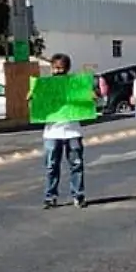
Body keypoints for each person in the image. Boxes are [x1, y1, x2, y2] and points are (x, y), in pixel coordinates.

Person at [40, 53, 87, 209]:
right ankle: (50, 196)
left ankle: (78, 196)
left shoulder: (76, 84)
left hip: (72, 131)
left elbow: (88, 100)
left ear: (67, 69)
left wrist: (91, 96)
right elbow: (37, 107)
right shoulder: (44, 86)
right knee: (51, 166)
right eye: (55, 68)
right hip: (52, 132)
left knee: (76, 165)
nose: (58, 71)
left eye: (61, 68)